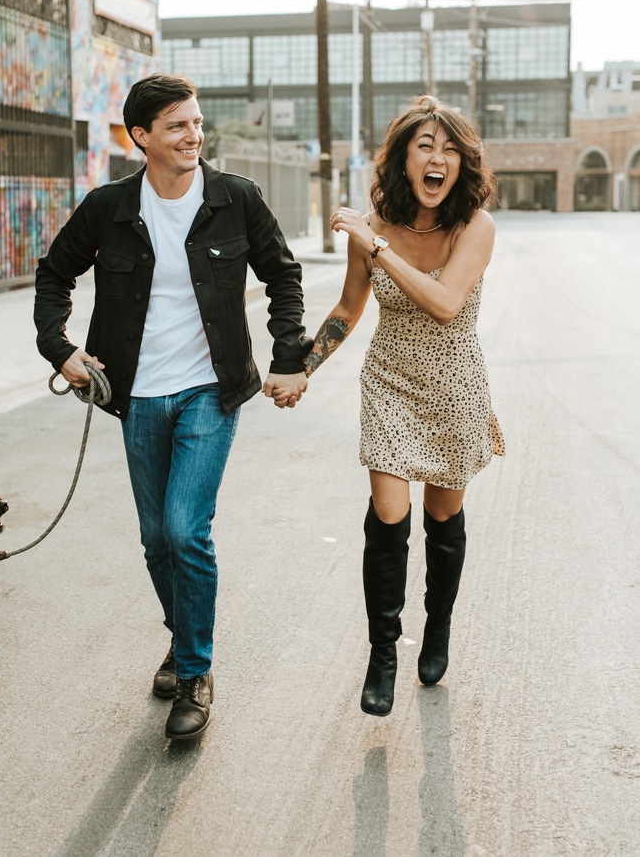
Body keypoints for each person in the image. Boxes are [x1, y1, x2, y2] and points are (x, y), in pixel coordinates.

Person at [34, 73, 310, 741]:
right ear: (143, 138)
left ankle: (195, 672)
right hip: (135, 395)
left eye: (197, 123)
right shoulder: (108, 207)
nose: (194, 136)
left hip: (209, 390)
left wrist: (288, 355)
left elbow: (283, 275)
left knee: (186, 530)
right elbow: (54, 274)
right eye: (178, 126)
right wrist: (61, 349)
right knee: (155, 540)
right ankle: (183, 637)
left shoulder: (234, 199)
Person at [280, 94, 505, 716]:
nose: (437, 159)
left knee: (442, 519)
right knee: (388, 512)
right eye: (425, 147)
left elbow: (444, 303)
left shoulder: (474, 227)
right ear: (404, 159)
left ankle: (437, 627)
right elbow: (349, 309)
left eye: (450, 150)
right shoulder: (375, 227)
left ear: (463, 165)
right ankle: (383, 650)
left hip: (455, 386)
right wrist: (302, 366)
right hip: (390, 383)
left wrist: (376, 248)